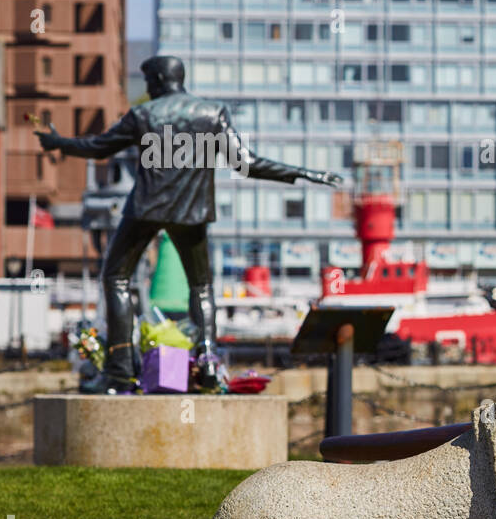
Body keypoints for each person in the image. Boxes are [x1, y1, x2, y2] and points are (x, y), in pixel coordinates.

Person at [34, 56, 343, 394]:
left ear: (161, 78)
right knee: (201, 286)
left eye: (149, 79)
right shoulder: (212, 113)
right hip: (191, 213)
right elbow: (247, 164)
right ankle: (207, 362)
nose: (148, 87)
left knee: (116, 276)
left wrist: (59, 143)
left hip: (146, 210)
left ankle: (120, 372)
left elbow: (98, 147)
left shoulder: (143, 115)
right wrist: (306, 173)